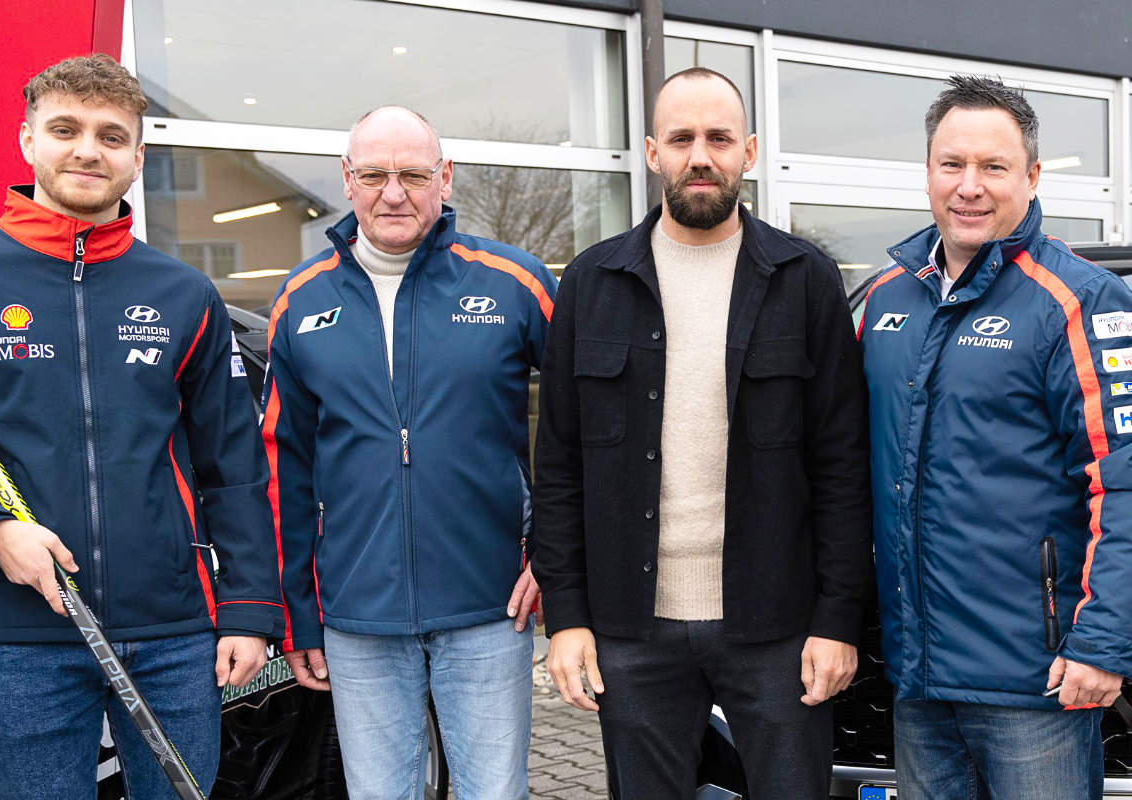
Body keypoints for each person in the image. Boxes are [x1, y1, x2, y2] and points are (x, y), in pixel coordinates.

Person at [0, 54, 282, 797]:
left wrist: (249, 610)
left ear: (137, 158)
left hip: (174, 633)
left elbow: (235, 465)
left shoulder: (184, 293)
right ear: (28, 141)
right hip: (20, 631)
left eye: (111, 135)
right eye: (65, 129)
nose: (88, 149)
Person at [532, 67, 872, 799]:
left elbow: (843, 465)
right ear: (653, 152)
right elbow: (558, 466)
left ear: (748, 151)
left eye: (718, 138)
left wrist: (838, 619)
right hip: (631, 627)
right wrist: (567, 619)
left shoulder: (804, 279)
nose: (700, 156)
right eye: (682, 138)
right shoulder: (592, 283)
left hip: (777, 627)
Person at [266, 105, 556, 799]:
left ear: (445, 178)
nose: (393, 193)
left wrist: (553, 556)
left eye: (412, 174)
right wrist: (298, 613)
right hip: (357, 616)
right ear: (347, 180)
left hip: (491, 606)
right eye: (374, 174)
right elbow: (285, 466)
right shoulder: (301, 302)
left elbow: (587, 432)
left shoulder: (515, 284)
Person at [859, 74, 1132, 799]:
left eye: (993, 166)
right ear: (927, 173)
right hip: (918, 680)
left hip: (1036, 683)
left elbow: (1124, 478)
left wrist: (1101, 646)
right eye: (952, 164)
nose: (969, 186)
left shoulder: (1079, 300)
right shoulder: (886, 302)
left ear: (1033, 177)